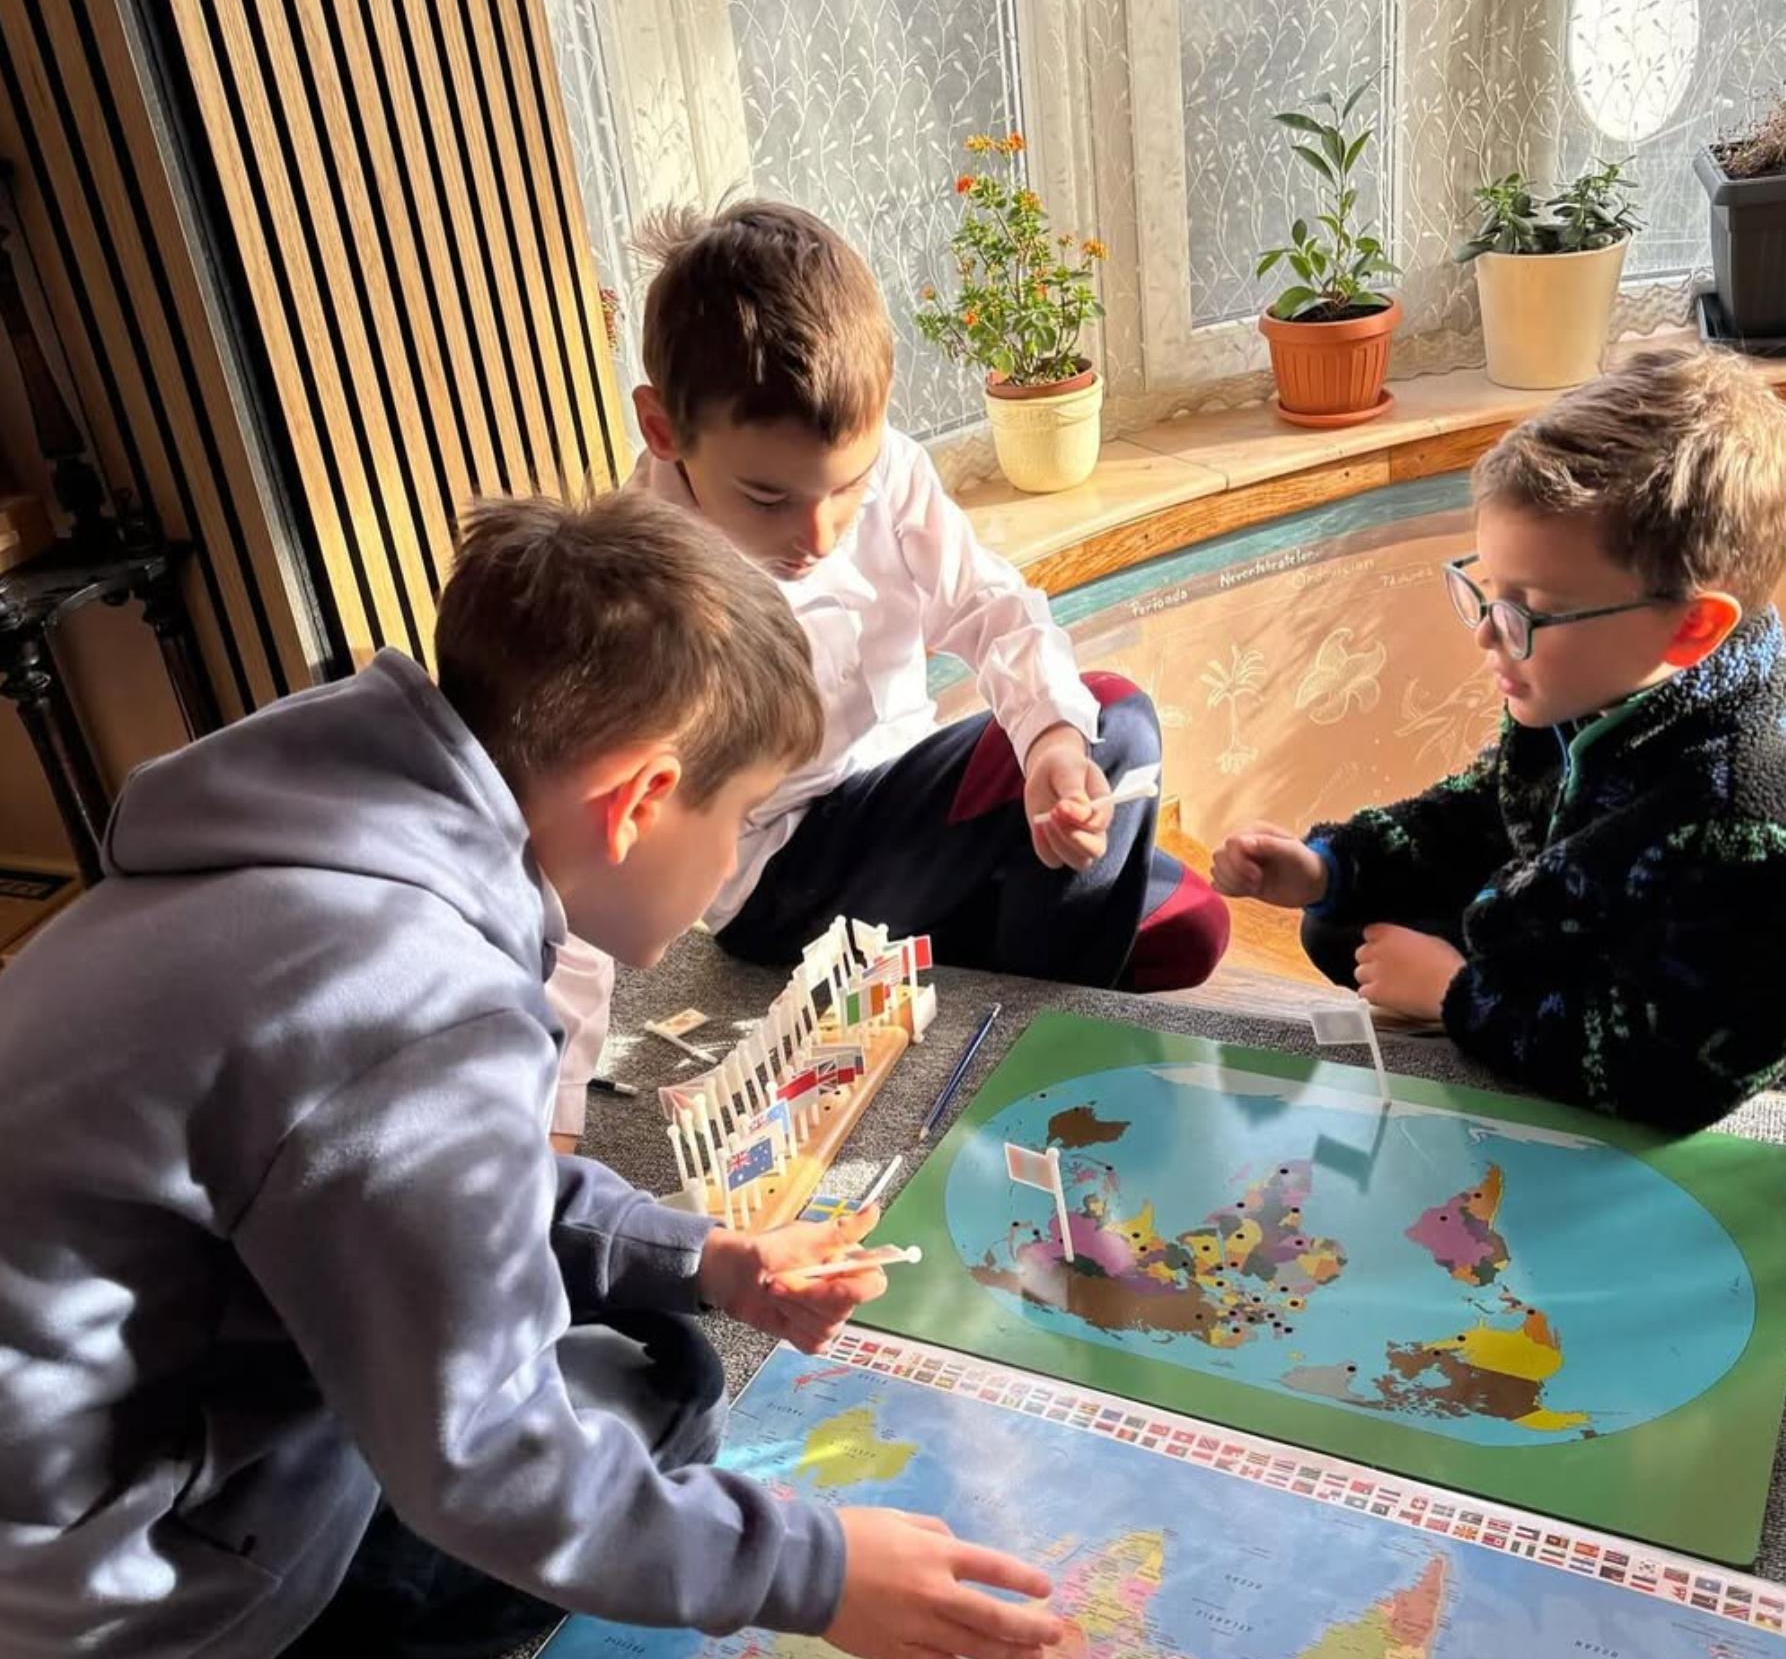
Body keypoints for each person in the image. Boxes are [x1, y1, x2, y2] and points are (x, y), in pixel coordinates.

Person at [0, 490, 1059, 1659]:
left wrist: (698, 1252)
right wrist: (811, 1568)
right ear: (636, 801)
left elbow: (425, 1169)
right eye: (736, 815)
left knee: (640, 1335)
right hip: (92, 1579)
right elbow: (485, 1453)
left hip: (60, 1466)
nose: (731, 854)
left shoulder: (298, 849)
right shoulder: (408, 988)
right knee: (646, 1410)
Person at [547, 200, 1228, 1140]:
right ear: (664, 431)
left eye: (848, 485)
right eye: (768, 495)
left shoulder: (895, 473)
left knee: (1190, 922)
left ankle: (990, 980)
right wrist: (558, 1115)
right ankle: (1033, 1061)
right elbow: (583, 864)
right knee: (1120, 718)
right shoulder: (639, 585)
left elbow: (992, 604)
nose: (817, 535)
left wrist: (1052, 745)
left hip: (906, 829)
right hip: (788, 881)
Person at [1213, 346, 1786, 1133]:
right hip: (1573, 916)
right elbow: (1484, 804)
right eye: (1487, 591)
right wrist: (1328, 864)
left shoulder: (1747, 816)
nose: (1488, 634)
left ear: (1692, 626)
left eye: (1526, 610)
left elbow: (1672, 1079)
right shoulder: (1597, 678)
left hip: (1656, 1004)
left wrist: (1456, 998)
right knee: (1335, 921)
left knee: (1398, 963)